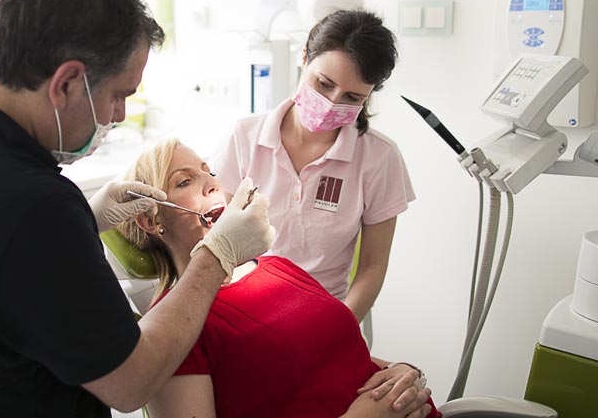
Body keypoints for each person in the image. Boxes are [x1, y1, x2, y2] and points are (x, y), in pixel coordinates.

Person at [0, 0, 274, 418]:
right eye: (119, 94)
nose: (120, 114)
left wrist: (86, 217)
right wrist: (216, 257)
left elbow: (4, 276)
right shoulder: (33, 207)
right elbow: (131, 384)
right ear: (66, 82)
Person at [115, 139, 438, 418]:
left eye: (209, 172)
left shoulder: (278, 267)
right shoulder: (170, 332)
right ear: (150, 219)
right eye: (184, 182)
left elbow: (338, 353)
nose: (213, 183)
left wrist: (402, 373)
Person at [211, 9, 413, 321]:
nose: (333, 102)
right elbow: (219, 241)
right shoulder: (244, 137)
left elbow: (373, 266)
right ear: (304, 57)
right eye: (323, 84)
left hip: (325, 314)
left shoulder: (379, 158)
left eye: (351, 96)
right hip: (245, 307)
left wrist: (335, 329)